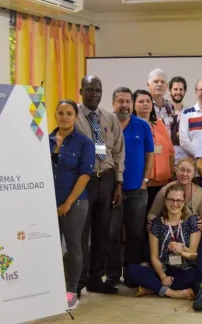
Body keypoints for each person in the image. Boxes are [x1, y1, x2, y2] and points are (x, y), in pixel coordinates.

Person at [76, 75, 124, 296]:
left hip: (106, 178)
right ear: (81, 91)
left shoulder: (109, 118)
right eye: (89, 90)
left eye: (98, 90)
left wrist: (118, 183)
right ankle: (77, 280)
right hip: (83, 181)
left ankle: (96, 278)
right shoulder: (72, 115)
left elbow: (118, 152)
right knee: (80, 233)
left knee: (102, 232)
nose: (94, 94)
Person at [106, 87, 154, 288]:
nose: (124, 105)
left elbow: (150, 154)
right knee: (112, 233)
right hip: (111, 190)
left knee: (135, 234)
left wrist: (144, 181)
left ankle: (132, 273)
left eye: (127, 101)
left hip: (137, 191)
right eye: (120, 101)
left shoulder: (142, 126)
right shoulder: (105, 125)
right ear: (113, 103)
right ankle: (113, 275)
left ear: (132, 104)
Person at [50, 100, 95, 309]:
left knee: (74, 246)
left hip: (75, 203)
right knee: (49, 248)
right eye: (61, 113)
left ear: (75, 117)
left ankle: (71, 291)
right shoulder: (44, 141)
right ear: (55, 115)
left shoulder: (85, 143)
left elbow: (85, 175)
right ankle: (50, 289)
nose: (64, 117)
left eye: (69, 113)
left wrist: (68, 202)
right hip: (46, 203)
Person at [128, 184, 201, 299]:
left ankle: (154, 289)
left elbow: (193, 255)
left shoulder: (192, 221)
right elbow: (154, 257)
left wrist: (181, 249)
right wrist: (163, 277)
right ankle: (173, 293)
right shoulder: (157, 223)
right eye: (171, 200)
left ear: (183, 202)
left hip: (184, 269)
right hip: (163, 268)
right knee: (131, 270)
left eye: (179, 200)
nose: (175, 204)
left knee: (199, 273)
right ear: (165, 201)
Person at [132, 89, 175, 215]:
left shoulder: (160, 124)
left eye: (148, 101)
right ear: (134, 105)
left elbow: (170, 152)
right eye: (141, 101)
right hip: (141, 183)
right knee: (141, 219)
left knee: (158, 218)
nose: (145, 104)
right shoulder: (131, 125)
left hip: (162, 182)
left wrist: (172, 173)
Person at [148, 157, 202, 230]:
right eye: (182, 170)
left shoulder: (200, 194)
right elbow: (151, 214)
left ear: (194, 174)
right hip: (168, 230)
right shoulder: (165, 190)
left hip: (190, 232)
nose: (184, 174)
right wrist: (156, 224)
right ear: (176, 171)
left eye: (189, 171)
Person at [179, 77, 202, 159]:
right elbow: (184, 142)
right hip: (195, 164)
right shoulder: (186, 114)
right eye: (201, 89)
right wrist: (201, 156)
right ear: (196, 92)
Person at [148, 68, 175, 137]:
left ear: (166, 86)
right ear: (148, 85)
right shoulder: (144, 105)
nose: (159, 84)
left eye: (163, 82)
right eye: (156, 81)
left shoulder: (170, 106)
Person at [169, 76, 188, 163]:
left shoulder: (190, 114)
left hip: (185, 161)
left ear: (185, 91)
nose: (178, 92)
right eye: (175, 89)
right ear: (170, 91)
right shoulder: (163, 112)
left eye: (181, 89)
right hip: (166, 160)